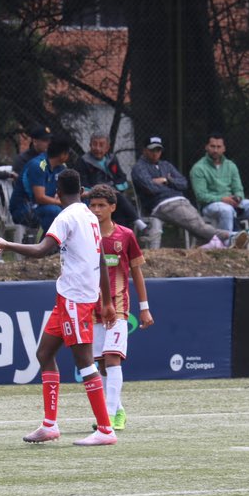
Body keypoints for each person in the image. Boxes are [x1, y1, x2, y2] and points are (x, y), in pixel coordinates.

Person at [0, 169, 119, 446]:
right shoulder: (89, 215)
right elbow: (101, 257)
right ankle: (50, 425)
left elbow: (41, 250)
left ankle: (106, 430)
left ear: (57, 192)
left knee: (85, 362)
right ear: (82, 191)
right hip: (68, 298)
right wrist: (107, 301)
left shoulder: (66, 217)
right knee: (44, 352)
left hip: (75, 300)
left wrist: (6, 243)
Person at [86, 184, 153, 431]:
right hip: (92, 309)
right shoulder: (85, 236)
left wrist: (144, 308)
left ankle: (109, 416)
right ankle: (118, 410)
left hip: (119, 307)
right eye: (92, 205)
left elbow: (137, 273)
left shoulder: (125, 236)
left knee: (113, 359)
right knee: (101, 363)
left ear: (113, 207)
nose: (96, 210)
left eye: (102, 205)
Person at [131, 135, 249, 251]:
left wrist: (166, 180)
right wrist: (171, 186)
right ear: (144, 150)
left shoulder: (165, 165)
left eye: (158, 150)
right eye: (152, 150)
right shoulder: (139, 168)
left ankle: (213, 244)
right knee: (197, 224)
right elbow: (150, 188)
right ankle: (230, 237)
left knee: (196, 225)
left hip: (180, 200)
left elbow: (183, 183)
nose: (156, 153)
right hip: (162, 204)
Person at [190, 133, 249, 253]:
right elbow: (201, 196)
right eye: (212, 146)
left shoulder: (231, 166)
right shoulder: (199, 168)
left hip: (232, 203)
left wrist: (237, 198)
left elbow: (239, 189)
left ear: (224, 148)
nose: (215, 150)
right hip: (210, 205)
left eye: (219, 147)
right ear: (206, 147)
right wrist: (223, 199)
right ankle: (228, 245)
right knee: (226, 209)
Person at [73, 131, 146, 232]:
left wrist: (117, 187)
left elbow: (121, 177)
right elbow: (83, 184)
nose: (97, 148)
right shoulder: (83, 161)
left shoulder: (112, 159)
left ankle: (121, 240)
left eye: (101, 145)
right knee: (117, 198)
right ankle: (137, 221)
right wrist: (102, 190)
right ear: (90, 145)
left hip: (113, 193)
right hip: (94, 195)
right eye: (95, 144)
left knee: (119, 209)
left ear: (107, 147)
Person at [9, 136, 70, 238]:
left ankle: (68, 247)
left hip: (44, 206)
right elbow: (40, 198)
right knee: (55, 212)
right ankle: (46, 248)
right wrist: (61, 202)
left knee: (77, 207)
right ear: (63, 155)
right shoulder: (38, 165)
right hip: (24, 210)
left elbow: (65, 189)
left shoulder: (61, 167)